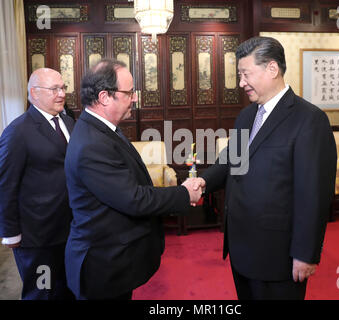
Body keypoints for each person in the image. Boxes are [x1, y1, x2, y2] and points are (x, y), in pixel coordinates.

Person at [189, 36, 337, 300]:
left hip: (277, 253)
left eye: (246, 74)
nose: (241, 82)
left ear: (272, 69)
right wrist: (203, 182)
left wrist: (306, 253)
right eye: (239, 75)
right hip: (241, 246)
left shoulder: (309, 120)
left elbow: (314, 194)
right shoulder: (246, 116)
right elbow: (231, 159)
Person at [64, 58, 201, 300]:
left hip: (114, 259)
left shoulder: (102, 129)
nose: (135, 98)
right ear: (105, 97)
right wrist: (183, 193)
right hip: (102, 265)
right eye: (129, 92)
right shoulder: (92, 143)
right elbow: (133, 198)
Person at [0, 68, 75, 300]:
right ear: (34, 93)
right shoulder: (18, 131)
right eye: (54, 89)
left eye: (63, 88)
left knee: (66, 289)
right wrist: (10, 232)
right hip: (37, 236)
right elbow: (5, 185)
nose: (61, 93)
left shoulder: (68, 121)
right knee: (42, 293)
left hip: (70, 228)